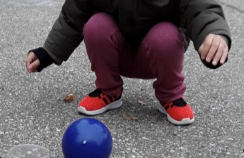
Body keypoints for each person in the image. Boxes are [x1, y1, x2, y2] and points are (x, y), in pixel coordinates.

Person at [25, 0, 231, 125]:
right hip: (117, 52)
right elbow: (74, 14)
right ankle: (108, 90)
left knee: (166, 36)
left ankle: (170, 95)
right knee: (96, 26)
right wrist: (48, 53)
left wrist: (213, 34)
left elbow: (201, 8)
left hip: (156, 55)